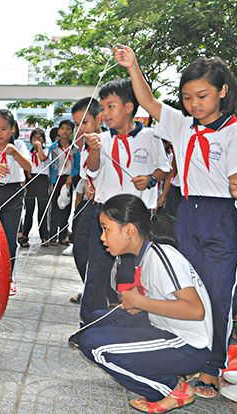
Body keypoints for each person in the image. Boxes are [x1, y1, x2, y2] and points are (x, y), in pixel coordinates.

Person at [115, 45, 237, 398]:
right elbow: (148, 101)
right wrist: (133, 66)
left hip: (222, 217)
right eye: (187, 97)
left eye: (202, 96)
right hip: (186, 212)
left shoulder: (234, 132)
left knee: (218, 293)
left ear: (222, 92)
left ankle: (212, 367)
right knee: (188, 287)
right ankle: (184, 352)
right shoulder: (181, 124)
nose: (194, 104)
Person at [79, 194, 213, 413]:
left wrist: (140, 301)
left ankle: (174, 389)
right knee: (95, 321)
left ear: (129, 230)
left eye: (106, 229)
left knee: (95, 345)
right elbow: (162, 299)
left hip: (188, 346)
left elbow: (196, 310)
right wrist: (139, 304)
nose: (102, 237)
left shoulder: (161, 256)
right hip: (166, 329)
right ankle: (170, 373)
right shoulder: (146, 254)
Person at [79, 77, 171, 326]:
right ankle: (89, 322)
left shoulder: (151, 136)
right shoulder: (102, 139)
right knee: (97, 270)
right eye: (103, 107)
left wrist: (151, 180)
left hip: (136, 217)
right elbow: (93, 170)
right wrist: (95, 148)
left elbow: (165, 168)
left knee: (132, 271)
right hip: (106, 215)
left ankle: (136, 321)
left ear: (129, 107)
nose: (105, 113)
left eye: (111, 106)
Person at [0, 109, 32, 295]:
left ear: (12, 129)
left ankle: (9, 278)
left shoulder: (19, 145)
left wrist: (15, 153)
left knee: (10, 237)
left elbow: (29, 166)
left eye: (3, 129)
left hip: (14, 192)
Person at [69, 97, 104, 303]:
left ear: (99, 119)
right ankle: (92, 290)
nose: (80, 128)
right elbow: (86, 174)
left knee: (103, 254)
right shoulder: (84, 146)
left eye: (85, 122)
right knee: (81, 246)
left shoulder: (108, 141)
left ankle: (103, 295)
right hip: (89, 204)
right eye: (76, 124)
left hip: (106, 205)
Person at [49, 120, 78, 246]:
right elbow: (48, 165)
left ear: (72, 132)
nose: (65, 131)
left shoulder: (75, 149)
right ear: (59, 131)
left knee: (66, 207)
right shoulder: (53, 148)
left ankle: (63, 236)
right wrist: (50, 182)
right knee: (54, 208)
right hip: (56, 179)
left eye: (68, 129)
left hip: (68, 180)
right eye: (62, 128)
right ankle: (52, 237)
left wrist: (71, 177)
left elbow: (77, 166)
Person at [20, 128, 50, 247]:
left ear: (43, 140)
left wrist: (39, 147)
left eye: (40, 138)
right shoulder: (28, 152)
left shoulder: (47, 150)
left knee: (42, 210)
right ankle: (24, 235)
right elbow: (25, 166)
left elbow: (42, 158)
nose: (37, 140)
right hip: (31, 180)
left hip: (42, 180)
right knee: (29, 210)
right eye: (34, 138)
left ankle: (44, 237)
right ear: (30, 140)